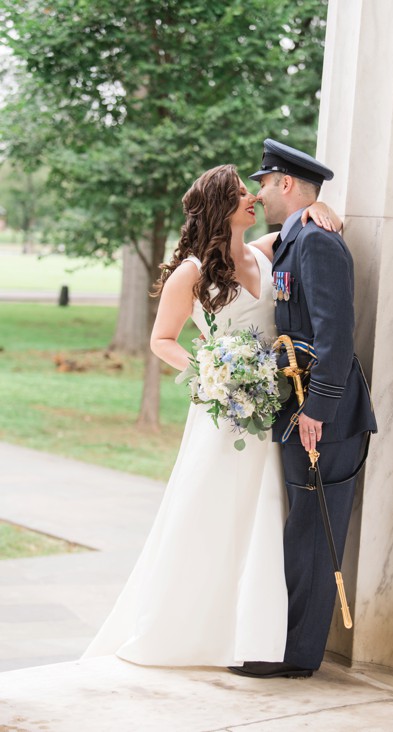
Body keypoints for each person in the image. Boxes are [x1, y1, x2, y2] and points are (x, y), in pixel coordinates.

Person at [83, 164, 340, 667]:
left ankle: (246, 635)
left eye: (251, 193)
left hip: (265, 409)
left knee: (259, 512)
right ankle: (183, 629)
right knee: (208, 511)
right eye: (242, 194)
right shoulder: (193, 271)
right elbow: (161, 341)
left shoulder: (265, 253)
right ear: (220, 207)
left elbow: (305, 222)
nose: (252, 200)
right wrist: (212, 374)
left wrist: (318, 206)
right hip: (222, 413)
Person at [228, 140, 377, 679]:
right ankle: (284, 643)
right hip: (300, 408)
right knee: (302, 528)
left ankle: (295, 656)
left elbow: (337, 335)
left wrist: (317, 409)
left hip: (324, 416)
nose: (259, 192)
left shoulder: (316, 243)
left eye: (264, 183)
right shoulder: (296, 239)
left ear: (285, 184)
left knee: (313, 531)